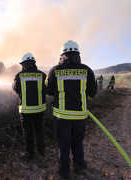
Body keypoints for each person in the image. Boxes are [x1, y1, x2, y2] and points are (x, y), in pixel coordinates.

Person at [47, 40, 97, 179]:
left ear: (63, 54)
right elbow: (93, 92)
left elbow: (49, 91)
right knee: (77, 142)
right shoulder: (87, 70)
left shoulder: (55, 70)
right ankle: (79, 166)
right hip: (80, 116)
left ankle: (64, 172)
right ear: (77, 53)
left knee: (63, 145)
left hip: (61, 117)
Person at [13, 53, 47, 161]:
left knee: (28, 133)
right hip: (40, 109)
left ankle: (30, 154)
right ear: (34, 63)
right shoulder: (42, 75)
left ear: (23, 64)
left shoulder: (19, 75)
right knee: (39, 131)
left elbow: (16, 89)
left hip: (26, 110)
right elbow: (46, 89)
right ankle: (41, 152)